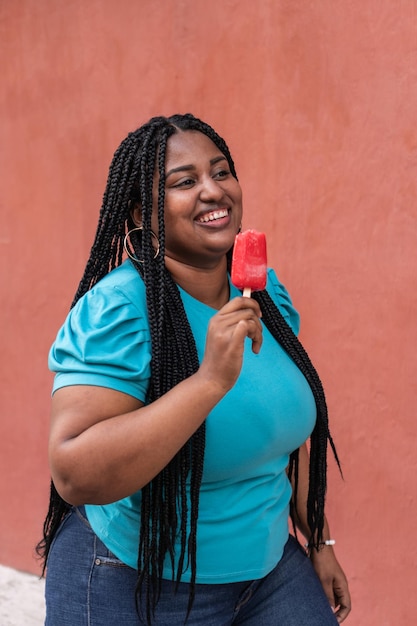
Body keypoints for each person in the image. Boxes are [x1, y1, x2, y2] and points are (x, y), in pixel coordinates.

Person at [37, 113, 351, 625]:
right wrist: (209, 382)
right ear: (143, 212)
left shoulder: (265, 295)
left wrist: (319, 537)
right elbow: (75, 472)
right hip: (137, 581)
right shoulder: (120, 310)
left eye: (221, 172)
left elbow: (283, 437)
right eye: (184, 182)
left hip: (269, 573)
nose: (213, 191)